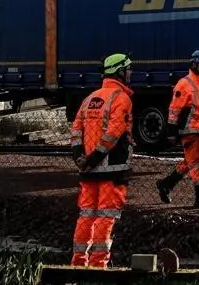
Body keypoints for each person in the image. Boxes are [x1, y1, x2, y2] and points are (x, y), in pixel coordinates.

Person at [69, 52, 135, 268]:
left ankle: (78, 264)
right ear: (120, 72)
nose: (131, 73)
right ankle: (99, 266)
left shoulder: (90, 98)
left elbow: (76, 129)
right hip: (111, 169)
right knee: (106, 217)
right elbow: (114, 133)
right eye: (128, 69)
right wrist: (95, 157)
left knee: (86, 215)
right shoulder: (121, 98)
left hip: (88, 170)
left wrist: (80, 156)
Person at [156, 49, 199, 207]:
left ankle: (166, 184)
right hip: (190, 130)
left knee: (191, 161)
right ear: (194, 64)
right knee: (197, 165)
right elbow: (174, 110)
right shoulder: (184, 83)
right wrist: (171, 132)